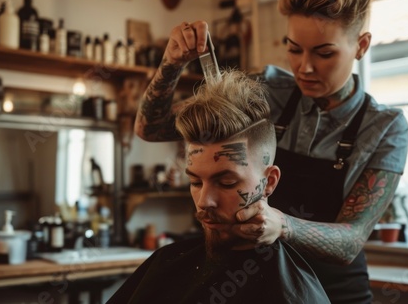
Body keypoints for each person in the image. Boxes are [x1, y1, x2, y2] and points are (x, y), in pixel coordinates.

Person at [134, 0, 408, 303]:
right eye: (294, 49)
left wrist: (282, 224)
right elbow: (152, 128)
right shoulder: (268, 92)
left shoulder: (384, 127)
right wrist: (171, 63)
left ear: (361, 45)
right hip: (258, 287)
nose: (304, 67)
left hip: (336, 294)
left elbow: (351, 240)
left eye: (324, 53)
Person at [108, 70, 329, 303]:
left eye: (226, 182)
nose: (204, 201)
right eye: (195, 181)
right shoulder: (166, 263)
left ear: (269, 182)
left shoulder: (293, 293)